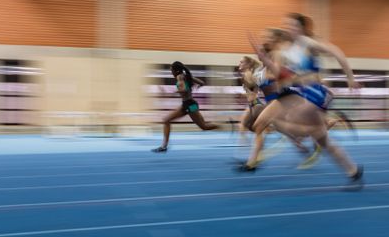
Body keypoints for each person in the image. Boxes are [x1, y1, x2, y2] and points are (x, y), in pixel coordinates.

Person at [241, 17, 364, 187]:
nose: (288, 28)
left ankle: (315, 129)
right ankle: (353, 171)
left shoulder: (307, 42)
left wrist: (350, 77)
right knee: (324, 141)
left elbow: (336, 52)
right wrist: (264, 58)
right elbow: (279, 71)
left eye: (292, 25)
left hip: (314, 93)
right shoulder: (287, 50)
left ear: (301, 28)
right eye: (286, 25)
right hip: (306, 93)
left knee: (283, 120)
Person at [152, 61, 219, 152]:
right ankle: (164, 146)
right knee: (166, 120)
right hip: (187, 104)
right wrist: (195, 86)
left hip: (190, 105)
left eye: (171, 70)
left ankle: (220, 125)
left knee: (204, 127)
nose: (171, 72)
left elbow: (184, 89)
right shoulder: (186, 76)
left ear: (176, 71)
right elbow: (202, 82)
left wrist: (173, 93)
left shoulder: (179, 77)